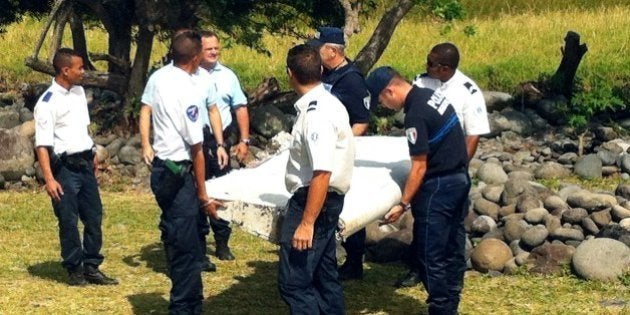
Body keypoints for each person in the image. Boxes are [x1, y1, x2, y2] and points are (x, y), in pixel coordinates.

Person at [366, 66, 471, 315]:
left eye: (381, 100)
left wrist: (403, 204)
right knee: (453, 245)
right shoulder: (430, 96)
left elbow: (419, 166)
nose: (384, 106)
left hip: (438, 187)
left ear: (390, 91)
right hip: (459, 179)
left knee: (429, 252)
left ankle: (442, 308)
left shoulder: (415, 114)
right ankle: (452, 299)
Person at [139, 30, 223, 314]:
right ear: (196, 56)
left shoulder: (160, 77)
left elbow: (146, 109)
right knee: (187, 250)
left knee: (177, 236)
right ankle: (185, 308)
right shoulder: (187, 89)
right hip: (178, 171)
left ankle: (189, 304)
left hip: (163, 168)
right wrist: (203, 194)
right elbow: (196, 148)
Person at [394, 42, 490, 288]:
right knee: (423, 219)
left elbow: (473, 134)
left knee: (453, 225)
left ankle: (453, 273)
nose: (425, 66)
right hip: (425, 162)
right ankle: (418, 268)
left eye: (431, 62)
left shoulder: (467, 91)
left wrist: (457, 165)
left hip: (450, 167)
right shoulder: (422, 82)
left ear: (445, 68)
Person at [278, 44, 355, 314]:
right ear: (321, 70)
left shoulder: (316, 115)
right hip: (327, 200)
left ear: (290, 73)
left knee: (294, 283)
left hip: (314, 201)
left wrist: (306, 223)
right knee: (324, 275)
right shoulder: (331, 103)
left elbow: (322, 171)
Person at [34, 48, 118, 287]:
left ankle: (92, 266)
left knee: (94, 217)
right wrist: (49, 179)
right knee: (69, 221)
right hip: (65, 169)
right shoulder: (47, 102)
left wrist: (91, 153)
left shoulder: (79, 92)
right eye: (80, 68)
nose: (84, 71)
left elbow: (82, 128)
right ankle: (74, 270)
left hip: (84, 164)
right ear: (65, 70)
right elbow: (42, 145)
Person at [307, 26, 371, 281]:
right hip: (323, 148)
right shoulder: (325, 75)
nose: (314, 52)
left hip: (342, 154)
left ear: (332, 51)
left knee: (348, 206)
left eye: (318, 48)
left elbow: (362, 121)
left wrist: (343, 147)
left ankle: (354, 261)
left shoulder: (352, 79)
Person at [197, 30, 251, 264]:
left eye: (216, 48)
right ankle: (198, 245)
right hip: (197, 142)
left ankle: (222, 242)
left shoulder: (228, 76)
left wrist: (244, 140)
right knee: (197, 192)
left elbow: (240, 107)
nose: (214, 52)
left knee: (221, 191)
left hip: (222, 142)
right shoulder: (189, 75)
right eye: (209, 48)